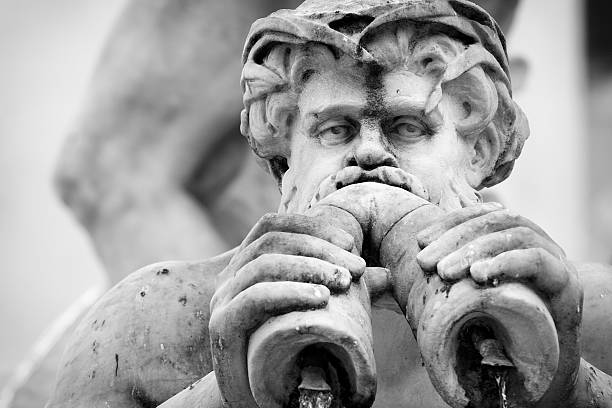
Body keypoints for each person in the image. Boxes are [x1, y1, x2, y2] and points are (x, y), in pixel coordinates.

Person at [46, 1, 612, 407]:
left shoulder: (592, 315)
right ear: (285, 159)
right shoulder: (149, 323)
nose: (367, 155)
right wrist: (229, 390)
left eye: (408, 127)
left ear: (480, 152)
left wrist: (566, 385)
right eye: (335, 130)